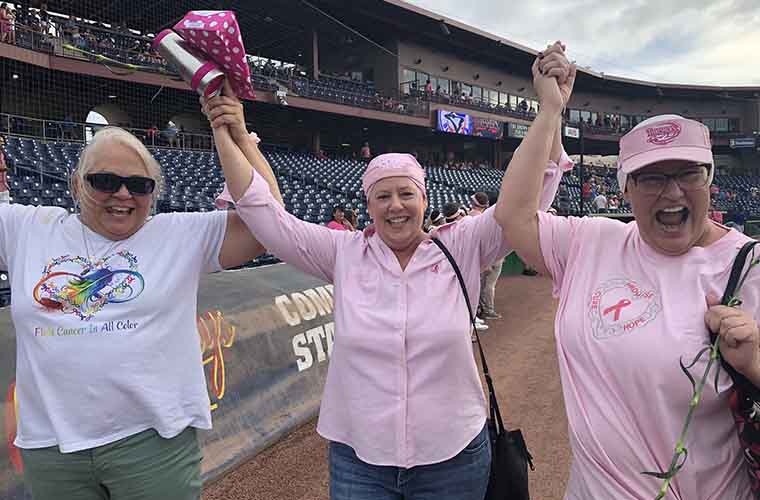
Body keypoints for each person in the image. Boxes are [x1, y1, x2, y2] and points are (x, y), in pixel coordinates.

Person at [202, 81, 570, 500]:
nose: (395, 205)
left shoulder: (462, 244)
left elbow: (525, 204)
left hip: (453, 454)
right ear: (369, 206)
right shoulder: (342, 252)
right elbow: (265, 216)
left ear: (423, 198)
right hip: (362, 459)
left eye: (405, 194)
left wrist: (551, 112)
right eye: (383, 197)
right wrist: (226, 134)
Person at [499, 41, 756, 499]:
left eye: (688, 173)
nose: (673, 192)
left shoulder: (749, 266)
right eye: (652, 177)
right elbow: (514, 215)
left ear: (710, 180)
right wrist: (549, 112)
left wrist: (755, 360)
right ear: (626, 190)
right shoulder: (592, 241)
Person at [8, 80, 283, 500]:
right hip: (52, 447)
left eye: (139, 185)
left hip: (151, 443)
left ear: (153, 194)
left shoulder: (177, 234)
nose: (122, 194)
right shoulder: (28, 227)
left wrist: (241, 137)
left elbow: (269, 226)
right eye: (105, 180)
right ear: (77, 183)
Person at [470, 192, 502, 320]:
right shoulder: (489, 218)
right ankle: (487, 310)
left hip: (481, 257)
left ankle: (480, 309)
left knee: (481, 285)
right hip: (491, 256)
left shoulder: (469, 216)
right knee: (488, 285)